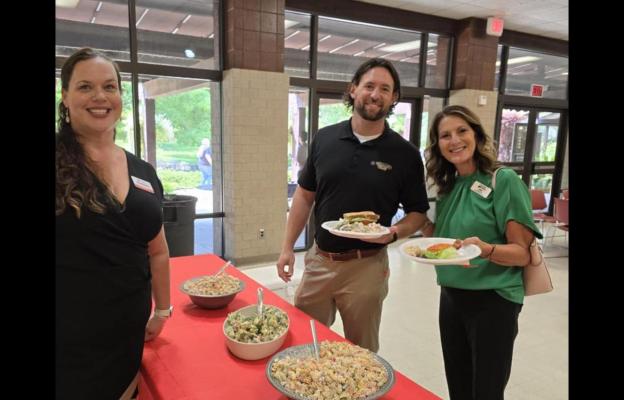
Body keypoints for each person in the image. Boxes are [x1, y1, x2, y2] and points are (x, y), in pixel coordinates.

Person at [276, 58, 430, 353]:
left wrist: (394, 232)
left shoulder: (405, 154)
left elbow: (418, 213)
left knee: (361, 352)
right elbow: (305, 196)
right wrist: (287, 247)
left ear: (394, 97)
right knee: (306, 343)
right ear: (353, 90)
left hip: (367, 266)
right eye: (369, 85)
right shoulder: (325, 139)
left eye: (385, 89)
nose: (376, 94)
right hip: (320, 260)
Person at [56, 48, 172, 400]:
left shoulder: (144, 172)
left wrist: (163, 310)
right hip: (68, 342)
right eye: (85, 87)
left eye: (110, 86)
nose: (100, 97)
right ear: (65, 97)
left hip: (126, 336)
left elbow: (159, 250)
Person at [422, 105, 542, 400]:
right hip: (451, 295)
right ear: (438, 145)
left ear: (476, 134)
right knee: (459, 386)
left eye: (462, 131)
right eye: (445, 135)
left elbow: (522, 253)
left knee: (486, 391)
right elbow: (447, 243)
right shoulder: (449, 187)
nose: (455, 140)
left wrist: (485, 250)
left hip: (494, 299)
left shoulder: (503, 180)